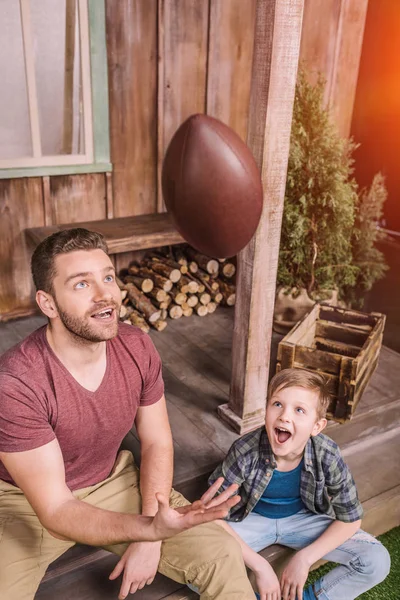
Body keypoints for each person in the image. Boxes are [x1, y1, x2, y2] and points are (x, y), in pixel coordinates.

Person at [0, 228, 256, 600]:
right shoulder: (16, 383)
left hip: (111, 481)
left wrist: (153, 528)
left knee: (221, 553)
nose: (105, 295)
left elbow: (156, 441)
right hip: (27, 501)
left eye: (107, 277)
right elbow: (55, 509)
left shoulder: (136, 345)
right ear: (48, 303)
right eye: (81, 284)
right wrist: (147, 529)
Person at [209, 368, 391, 600]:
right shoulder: (245, 450)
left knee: (376, 560)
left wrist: (305, 558)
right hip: (250, 520)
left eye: (299, 410)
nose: (285, 416)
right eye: (277, 404)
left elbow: (351, 518)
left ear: (317, 426)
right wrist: (260, 566)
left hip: (303, 519)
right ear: (265, 410)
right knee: (201, 562)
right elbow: (211, 514)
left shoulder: (327, 454)